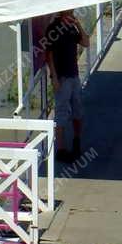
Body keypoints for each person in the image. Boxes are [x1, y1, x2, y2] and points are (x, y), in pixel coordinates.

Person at [43, 9, 88, 163]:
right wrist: (54, 78)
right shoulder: (53, 28)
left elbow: (86, 43)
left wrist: (78, 25)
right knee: (61, 112)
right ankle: (61, 150)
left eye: (72, 12)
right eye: (69, 11)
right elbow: (48, 55)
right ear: (62, 12)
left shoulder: (71, 27)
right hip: (62, 77)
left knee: (78, 110)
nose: (72, 13)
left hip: (74, 75)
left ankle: (76, 141)